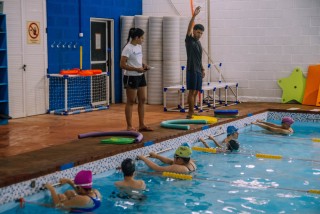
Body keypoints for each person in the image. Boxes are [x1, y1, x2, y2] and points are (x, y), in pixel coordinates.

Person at [120, 27, 153, 132]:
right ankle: (129, 126)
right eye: (142, 38)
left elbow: (138, 61)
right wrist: (136, 69)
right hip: (131, 76)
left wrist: (144, 65)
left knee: (142, 99)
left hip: (140, 76)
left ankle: (142, 124)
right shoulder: (127, 48)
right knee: (131, 101)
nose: (143, 40)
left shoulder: (139, 47)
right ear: (137, 37)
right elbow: (122, 64)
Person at [185, 6, 205, 119]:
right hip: (191, 69)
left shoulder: (198, 43)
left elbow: (199, 58)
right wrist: (194, 16)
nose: (199, 35)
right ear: (193, 31)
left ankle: (192, 111)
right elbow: (188, 29)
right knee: (191, 92)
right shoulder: (189, 40)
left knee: (196, 91)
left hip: (198, 70)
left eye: (201, 33)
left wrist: (202, 69)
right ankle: (190, 113)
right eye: (198, 32)